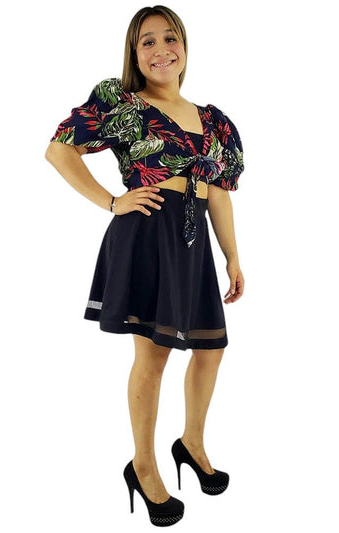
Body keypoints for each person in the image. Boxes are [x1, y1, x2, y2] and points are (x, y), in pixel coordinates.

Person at [45, 5, 245, 527]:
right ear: (134, 55)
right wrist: (113, 202)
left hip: (193, 241)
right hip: (147, 234)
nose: (161, 50)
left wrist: (232, 256)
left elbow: (218, 193)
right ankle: (144, 465)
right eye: (147, 42)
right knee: (154, 356)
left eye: (169, 38)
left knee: (210, 349)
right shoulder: (123, 104)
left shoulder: (213, 121)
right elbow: (59, 151)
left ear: (185, 47)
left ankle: (191, 444)